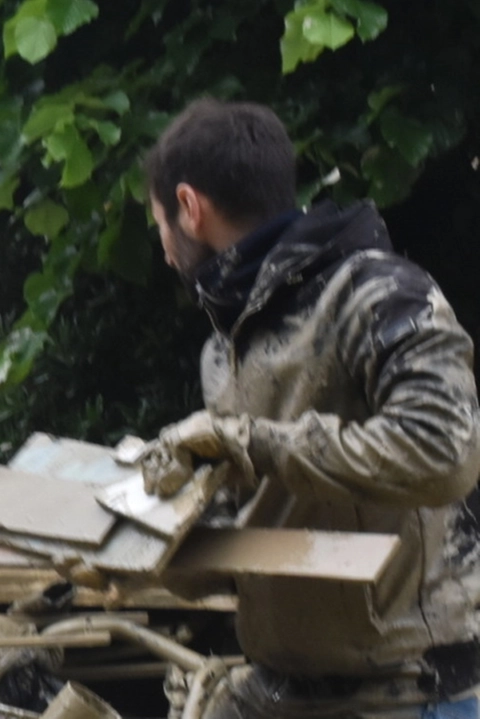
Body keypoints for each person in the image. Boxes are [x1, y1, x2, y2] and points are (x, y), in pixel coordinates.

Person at [142, 98, 480, 718]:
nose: (163, 249)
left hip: (408, 692)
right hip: (281, 689)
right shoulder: (226, 345)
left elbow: (446, 451)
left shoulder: (378, 294)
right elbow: (269, 516)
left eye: (159, 222)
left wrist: (252, 442)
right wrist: (158, 534)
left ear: (189, 208)